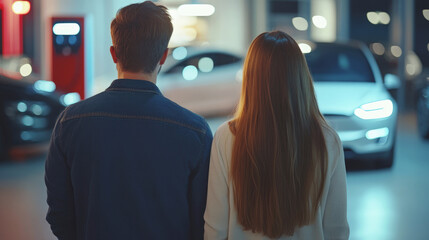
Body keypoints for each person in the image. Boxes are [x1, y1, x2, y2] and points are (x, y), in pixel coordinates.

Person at [45, 2, 213, 239]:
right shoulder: (196, 131)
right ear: (164, 56)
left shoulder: (70, 123)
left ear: (114, 53)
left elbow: (59, 215)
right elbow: (201, 220)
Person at [204, 31, 349, 240]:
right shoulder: (327, 140)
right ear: (300, 76)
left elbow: (215, 229)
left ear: (251, 77)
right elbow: (337, 230)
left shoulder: (226, 137)